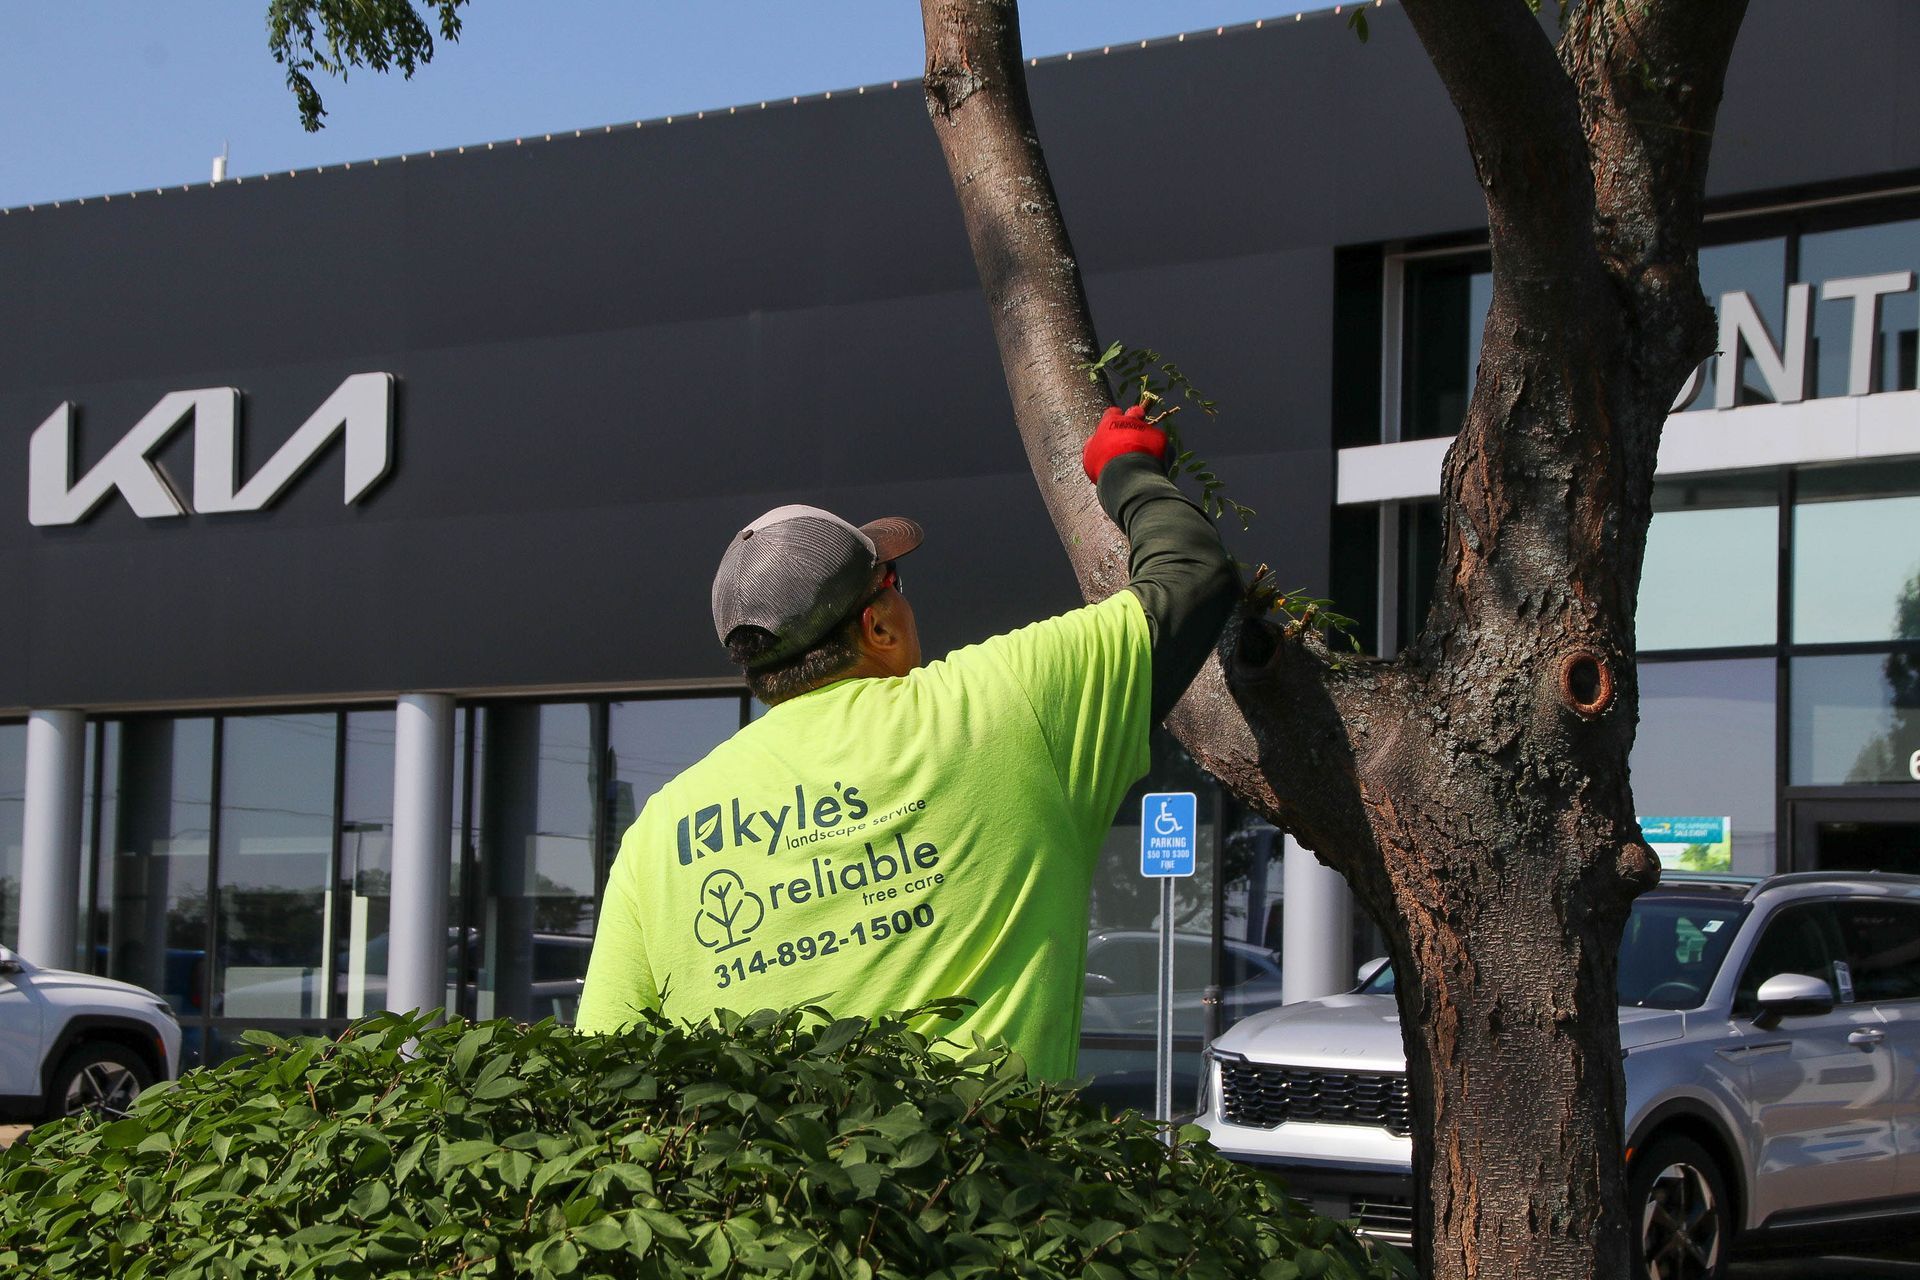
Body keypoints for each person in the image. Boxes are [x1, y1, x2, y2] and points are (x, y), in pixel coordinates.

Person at [576, 404, 1236, 1080]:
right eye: (896, 583)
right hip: (982, 1179)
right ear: (880, 625)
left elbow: (605, 1065)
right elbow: (1192, 574)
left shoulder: (661, 829)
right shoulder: (1004, 703)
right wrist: (1125, 465)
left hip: (744, 1184)